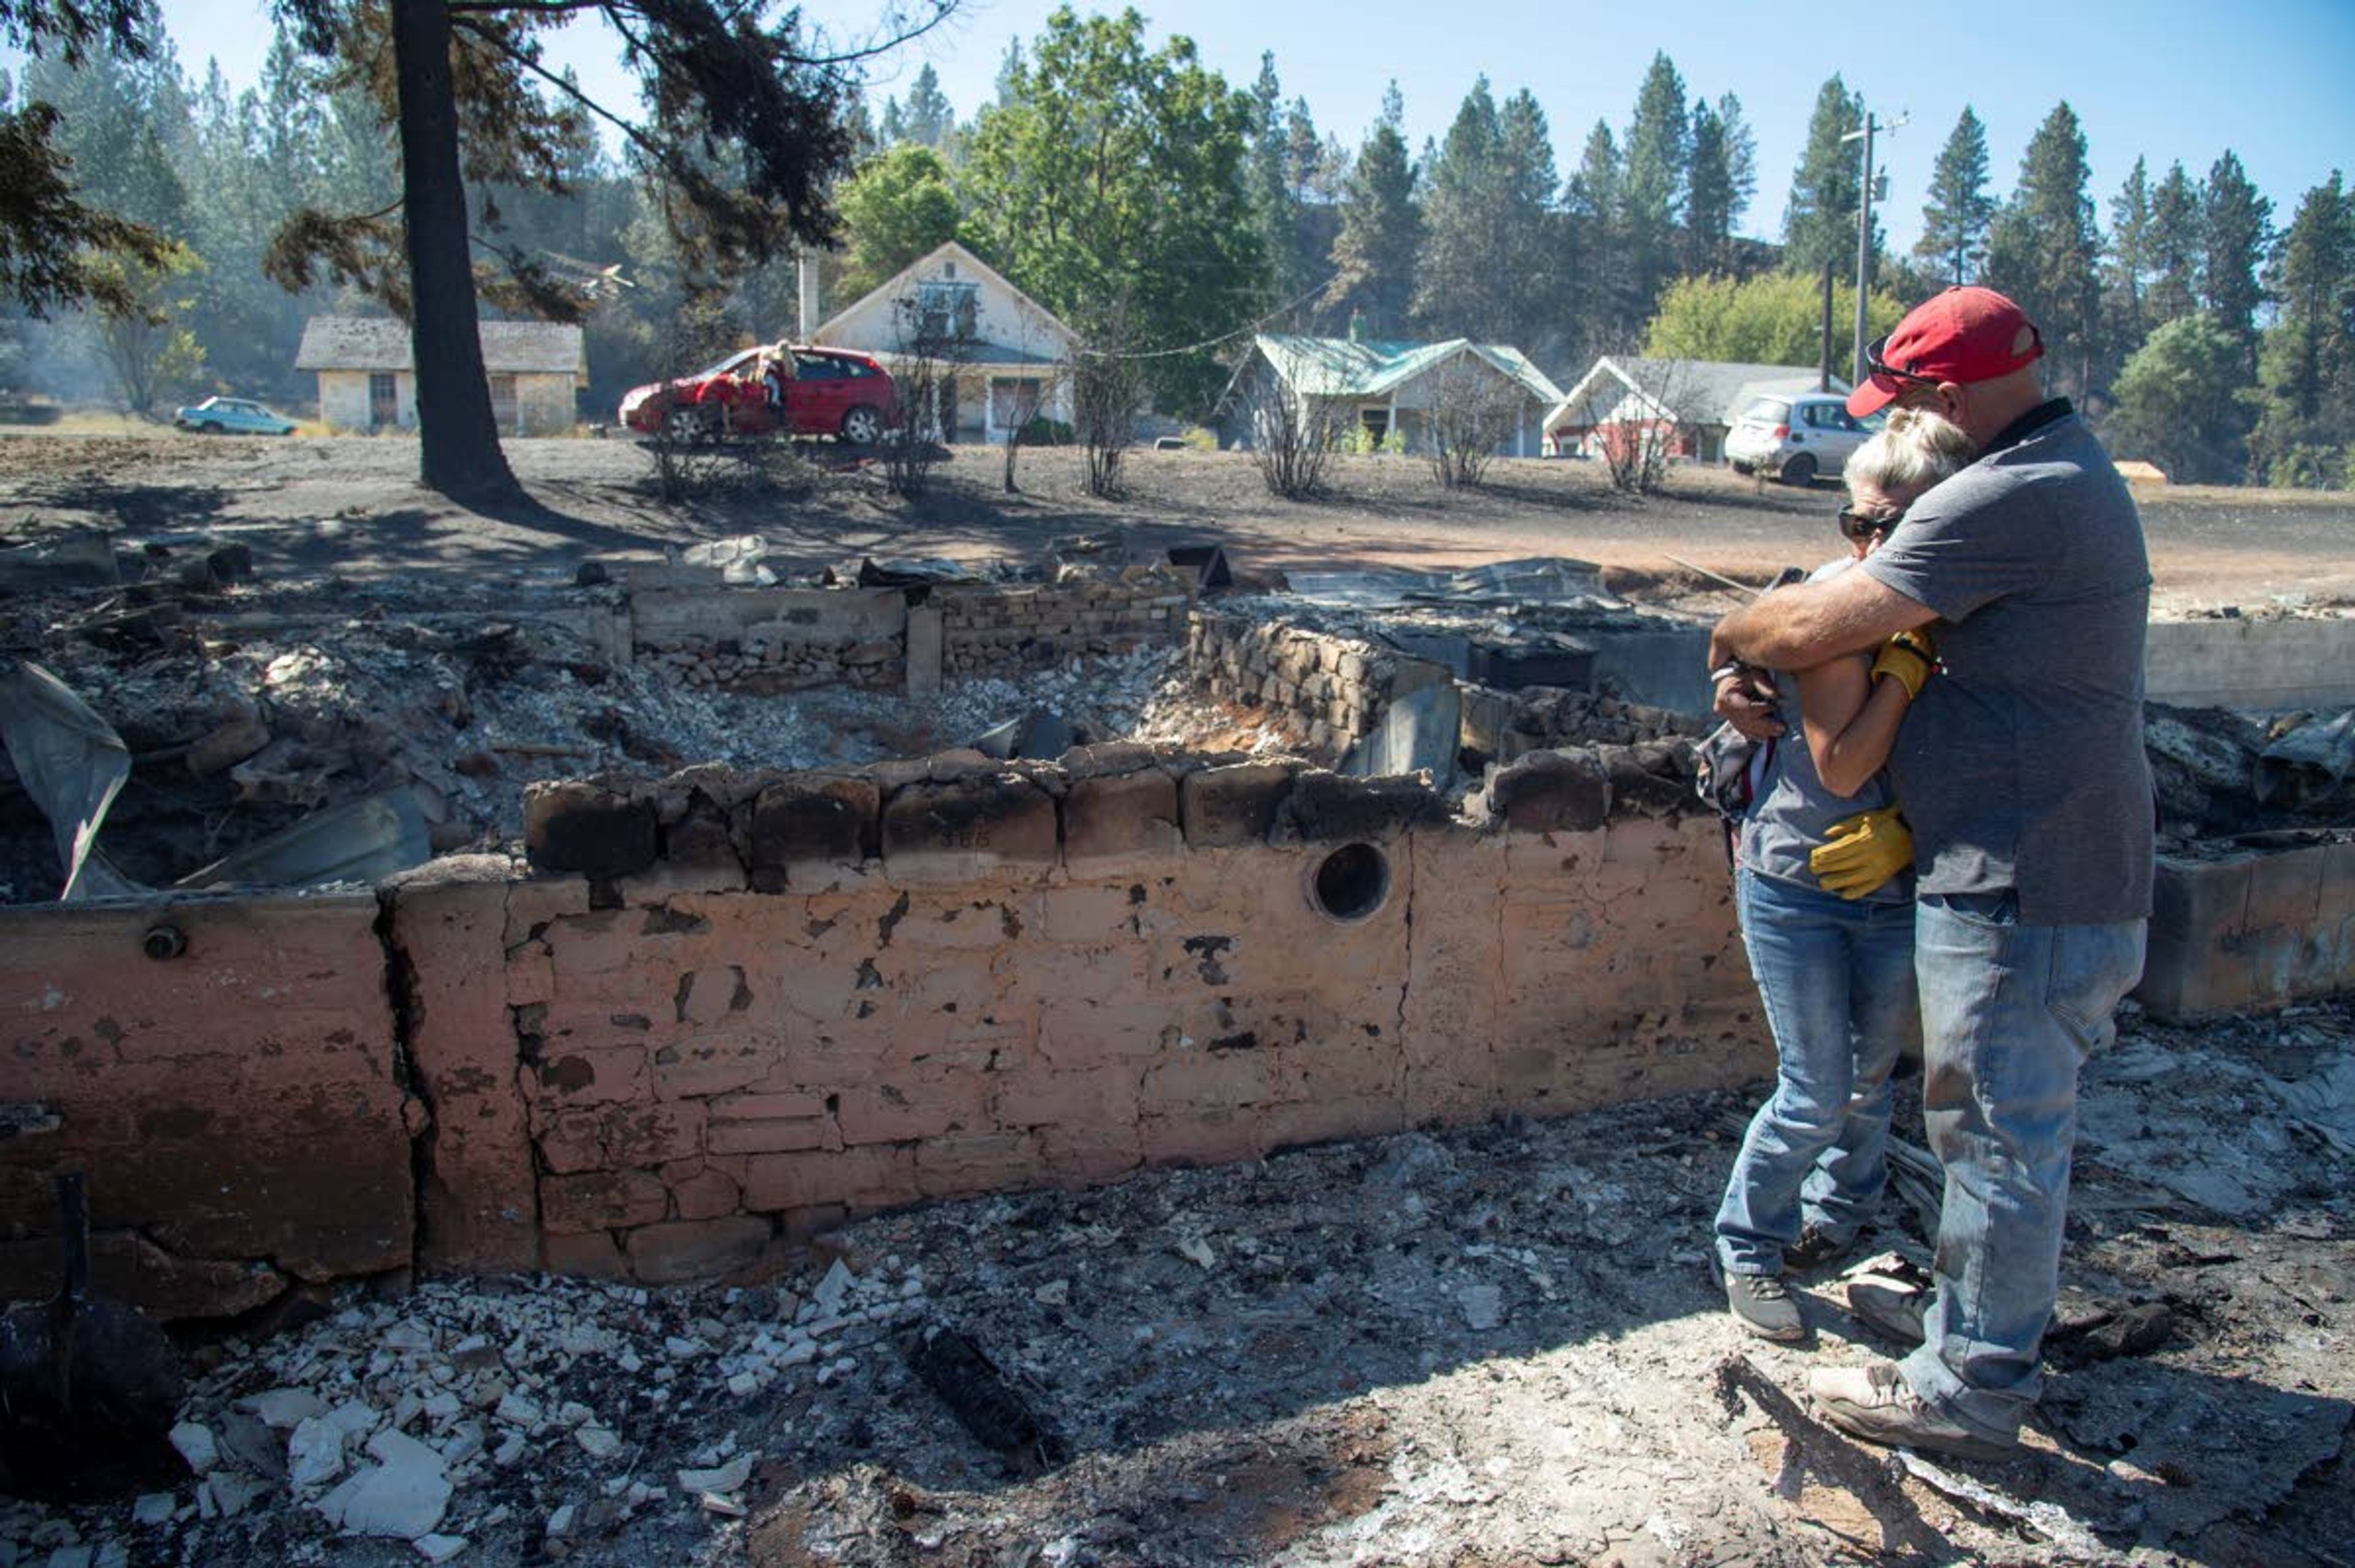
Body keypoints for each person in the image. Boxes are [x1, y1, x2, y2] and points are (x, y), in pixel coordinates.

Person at [1707, 286, 2154, 1461]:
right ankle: (1971, 1327)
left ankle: (1968, 1386)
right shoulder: (2057, 470)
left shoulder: (2010, 492)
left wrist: (1737, 634)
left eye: (1906, 403)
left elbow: (1806, 634)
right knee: (1976, 1126)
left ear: (1948, 398)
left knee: (1998, 1134)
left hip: (2025, 881)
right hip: (2032, 866)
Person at [1710, 410, 1973, 1346]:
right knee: (1817, 1083)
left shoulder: (1973, 613)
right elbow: (1841, 767)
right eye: (1856, 525)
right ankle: (1748, 1240)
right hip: (1796, 881)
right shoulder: (1839, 606)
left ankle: (1843, 1212)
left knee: (1869, 1073)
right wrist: (1903, 665)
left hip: (1898, 886)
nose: (1868, 547)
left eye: (1891, 527)